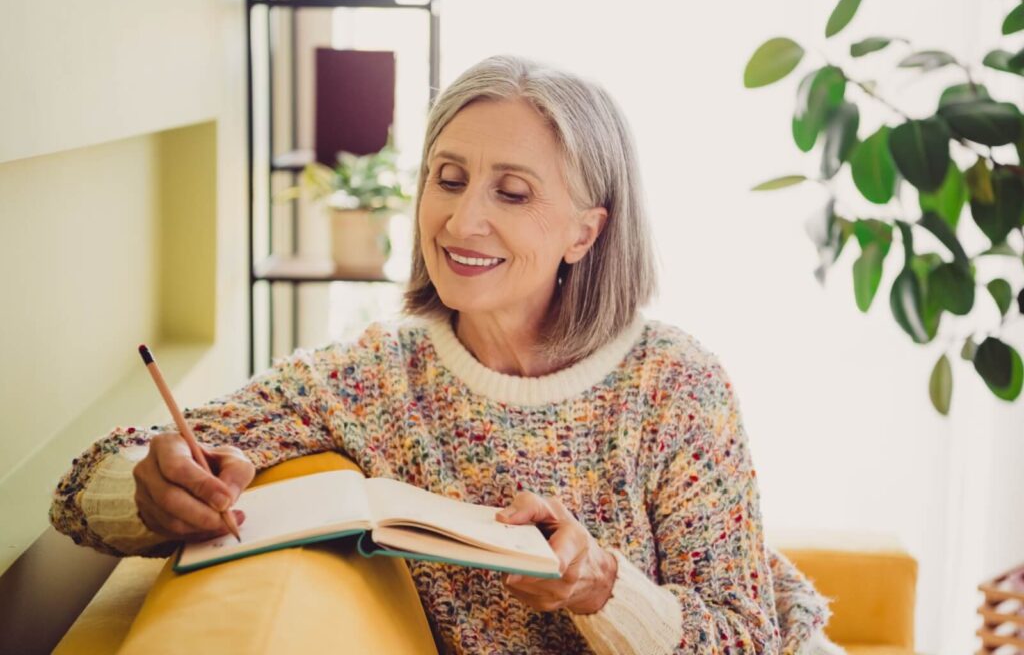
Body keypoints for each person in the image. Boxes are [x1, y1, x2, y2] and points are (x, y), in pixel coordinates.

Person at [50, 54, 844, 654]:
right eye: (449, 178)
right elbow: (81, 486)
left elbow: (748, 636)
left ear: (585, 232)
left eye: (513, 193)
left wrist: (605, 591)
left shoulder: (673, 383)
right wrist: (151, 490)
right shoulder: (373, 379)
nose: (461, 223)